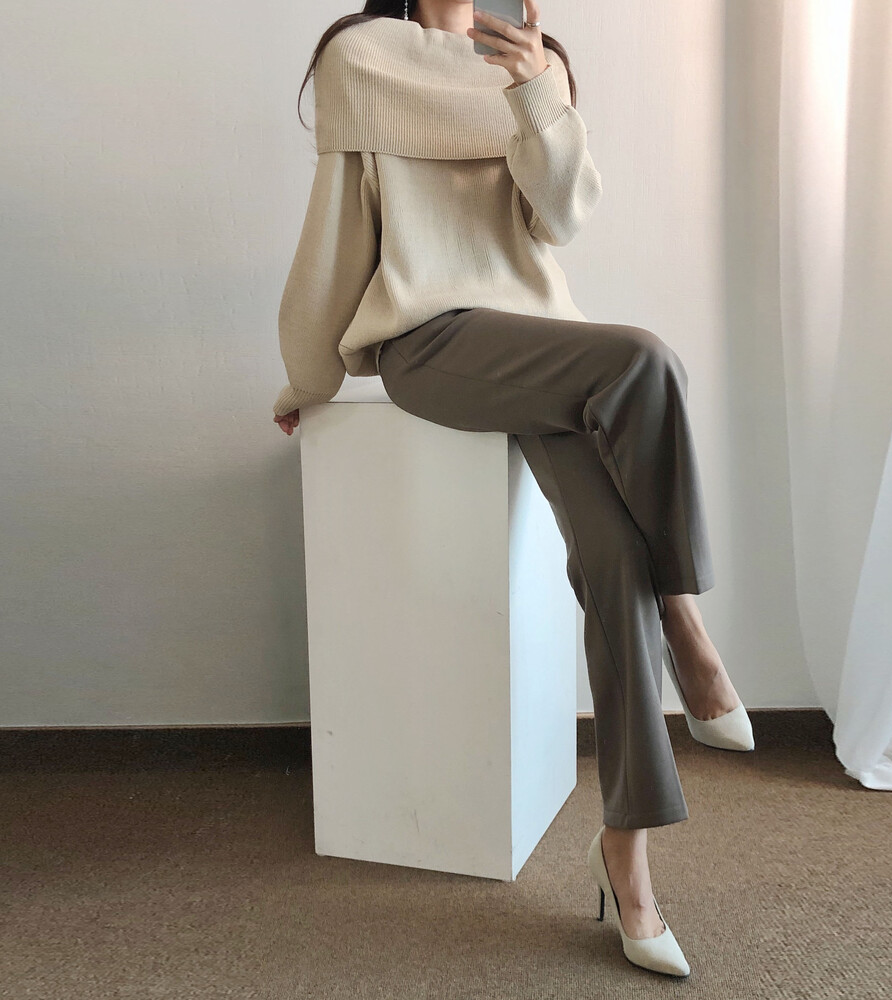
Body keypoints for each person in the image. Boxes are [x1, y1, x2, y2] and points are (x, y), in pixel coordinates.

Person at [270, 0, 753, 977]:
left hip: (538, 344)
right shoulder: (363, 57)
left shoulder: (538, 66)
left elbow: (560, 217)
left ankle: (626, 854)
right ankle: (689, 628)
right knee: (646, 360)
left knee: (613, 552)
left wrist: (537, 94)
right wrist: (307, 375)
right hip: (429, 341)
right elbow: (337, 225)